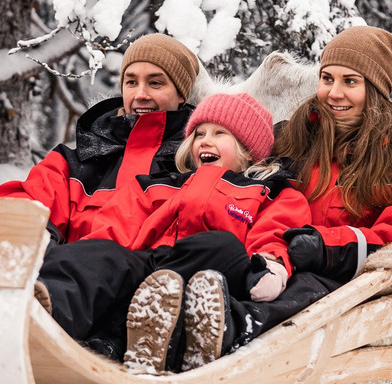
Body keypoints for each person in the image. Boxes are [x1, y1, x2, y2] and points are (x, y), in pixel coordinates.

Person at [158, 25, 392, 371]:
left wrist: (327, 246)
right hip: (275, 254)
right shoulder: (296, 137)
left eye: (350, 82)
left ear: (375, 88)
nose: (334, 92)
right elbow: (254, 181)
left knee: (306, 289)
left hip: (347, 274)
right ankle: (174, 323)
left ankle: (227, 329)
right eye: (327, 78)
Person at [36, 92, 311, 368]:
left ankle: (128, 333)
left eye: (219, 133)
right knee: (101, 254)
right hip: (149, 268)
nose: (205, 140)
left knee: (221, 245)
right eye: (199, 133)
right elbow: (114, 228)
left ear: (248, 150)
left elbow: (277, 231)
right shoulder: (157, 184)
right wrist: (94, 259)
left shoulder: (272, 193)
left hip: (210, 275)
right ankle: (46, 311)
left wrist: (271, 267)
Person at [0, 33, 200, 245]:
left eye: (155, 83)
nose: (140, 94)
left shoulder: (198, 161)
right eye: (131, 82)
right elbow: (25, 205)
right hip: (70, 274)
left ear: (181, 94)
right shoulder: (74, 164)